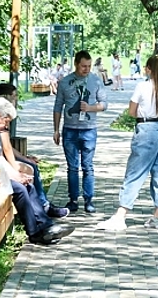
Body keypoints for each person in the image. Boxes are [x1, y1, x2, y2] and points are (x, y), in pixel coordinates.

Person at [0, 98, 73, 244]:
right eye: (6, 121)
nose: (7, 125)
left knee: (27, 186)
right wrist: (14, 179)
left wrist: (17, 175)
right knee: (19, 189)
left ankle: (46, 227)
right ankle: (35, 233)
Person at [95, 55, 158, 231]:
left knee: (135, 172)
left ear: (148, 69)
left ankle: (121, 215)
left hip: (147, 129)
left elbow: (132, 111)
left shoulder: (142, 86)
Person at [0, 83, 69, 218]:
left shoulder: (3, 115)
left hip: (1, 158)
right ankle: (40, 208)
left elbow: (8, 146)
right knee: (30, 168)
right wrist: (17, 164)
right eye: (15, 96)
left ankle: (42, 205)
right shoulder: (0, 117)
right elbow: (5, 148)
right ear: (6, 98)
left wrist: (24, 157)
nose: (17, 99)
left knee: (32, 164)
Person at [53, 50, 108, 213]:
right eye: (84, 66)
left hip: (89, 130)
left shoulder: (96, 81)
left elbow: (104, 104)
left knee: (88, 166)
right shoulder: (65, 82)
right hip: (70, 130)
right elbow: (58, 106)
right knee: (72, 167)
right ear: (76, 64)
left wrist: (91, 108)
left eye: (89, 66)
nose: (87, 69)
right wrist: (56, 129)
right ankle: (73, 199)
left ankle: (89, 199)